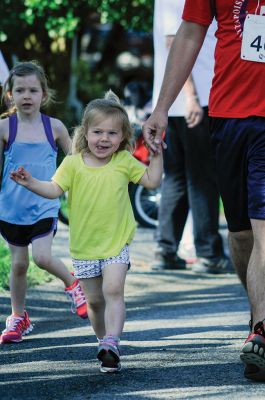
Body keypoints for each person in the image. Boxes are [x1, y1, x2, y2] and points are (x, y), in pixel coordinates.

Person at [142, 0, 265, 382]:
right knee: (241, 233)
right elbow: (190, 33)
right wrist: (162, 107)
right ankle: (258, 313)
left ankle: (262, 330)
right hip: (228, 113)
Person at [10, 90, 163, 373]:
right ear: (85, 133)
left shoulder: (123, 162)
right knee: (94, 301)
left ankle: (112, 342)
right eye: (97, 132)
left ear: (122, 137)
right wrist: (31, 182)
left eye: (112, 133)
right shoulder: (73, 163)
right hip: (84, 246)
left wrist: (156, 155)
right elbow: (53, 189)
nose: (104, 139)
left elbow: (153, 182)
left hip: (116, 242)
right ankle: (103, 344)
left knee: (113, 290)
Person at [0, 61, 88, 345]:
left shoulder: (56, 127)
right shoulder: (4, 128)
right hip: (11, 208)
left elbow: (78, 161)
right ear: (9, 94)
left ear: (44, 94)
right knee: (19, 265)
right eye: (20, 90)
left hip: (44, 206)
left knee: (42, 257)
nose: (27, 96)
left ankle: (73, 285)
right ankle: (18, 317)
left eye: (33, 90)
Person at [152, 0, 229, 273]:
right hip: (194, 100)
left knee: (177, 177)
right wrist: (191, 97)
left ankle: (166, 248)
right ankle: (208, 251)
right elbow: (175, 40)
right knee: (202, 176)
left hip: (175, 103)